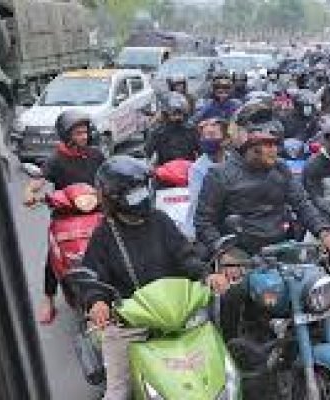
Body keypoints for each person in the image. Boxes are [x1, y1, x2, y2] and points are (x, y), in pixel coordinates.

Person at [80, 155, 229, 400]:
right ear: (113, 198)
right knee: (118, 392)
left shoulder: (160, 220)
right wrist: (97, 302)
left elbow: (185, 256)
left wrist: (207, 275)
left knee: (220, 371)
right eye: (133, 192)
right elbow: (93, 277)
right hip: (130, 322)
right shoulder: (104, 234)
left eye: (142, 188)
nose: (140, 196)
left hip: (178, 315)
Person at [194, 98, 330, 255]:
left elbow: (302, 204)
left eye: (276, 144)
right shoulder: (219, 175)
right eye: (267, 144)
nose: (274, 150)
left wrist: (324, 233)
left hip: (281, 247)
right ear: (247, 146)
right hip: (239, 253)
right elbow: (203, 222)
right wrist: (224, 253)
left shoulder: (281, 168)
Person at [23, 110, 105, 324]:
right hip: (66, 213)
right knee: (53, 254)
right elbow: (40, 179)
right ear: (66, 135)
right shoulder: (56, 159)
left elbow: (108, 173)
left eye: (85, 132)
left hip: (95, 210)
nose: (84, 137)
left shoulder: (95, 155)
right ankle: (48, 298)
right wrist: (29, 191)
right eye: (78, 133)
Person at [183, 117, 228, 241]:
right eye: (204, 136)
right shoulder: (198, 169)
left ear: (226, 139)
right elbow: (197, 204)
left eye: (212, 135)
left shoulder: (232, 161)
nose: (207, 139)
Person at [144, 92, 199, 165]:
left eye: (180, 114)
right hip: (166, 168)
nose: (177, 117)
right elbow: (148, 152)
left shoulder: (191, 129)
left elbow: (200, 150)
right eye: (174, 114)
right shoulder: (158, 132)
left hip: (188, 167)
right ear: (166, 114)